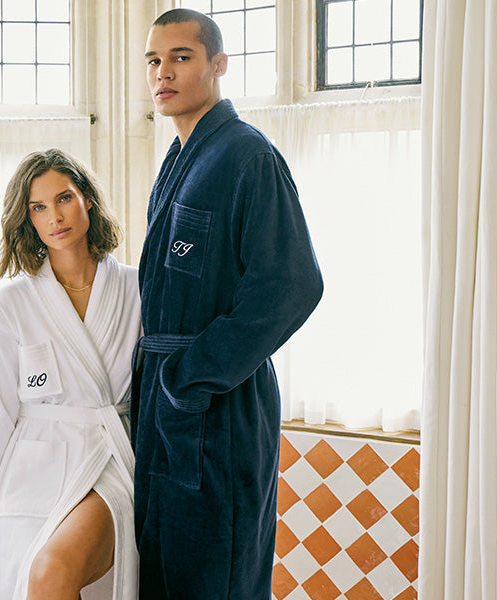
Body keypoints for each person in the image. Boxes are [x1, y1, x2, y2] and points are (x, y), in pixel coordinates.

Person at [132, 8, 324, 599]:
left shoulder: (246, 155)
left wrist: (190, 376)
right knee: (166, 575)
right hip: (169, 407)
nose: (163, 72)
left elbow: (292, 284)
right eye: (154, 61)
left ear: (218, 65)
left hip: (217, 407)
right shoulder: (179, 159)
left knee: (219, 574)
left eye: (181, 58)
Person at [0, 148, 141, 600]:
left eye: (63, 198)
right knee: (35, 580)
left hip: (105, 459)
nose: (54, 217)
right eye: (38, 207)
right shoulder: (12, 304)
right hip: (31, 473)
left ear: (87, 199)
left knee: (50, 571)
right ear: (26, 220)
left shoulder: (135, 289)